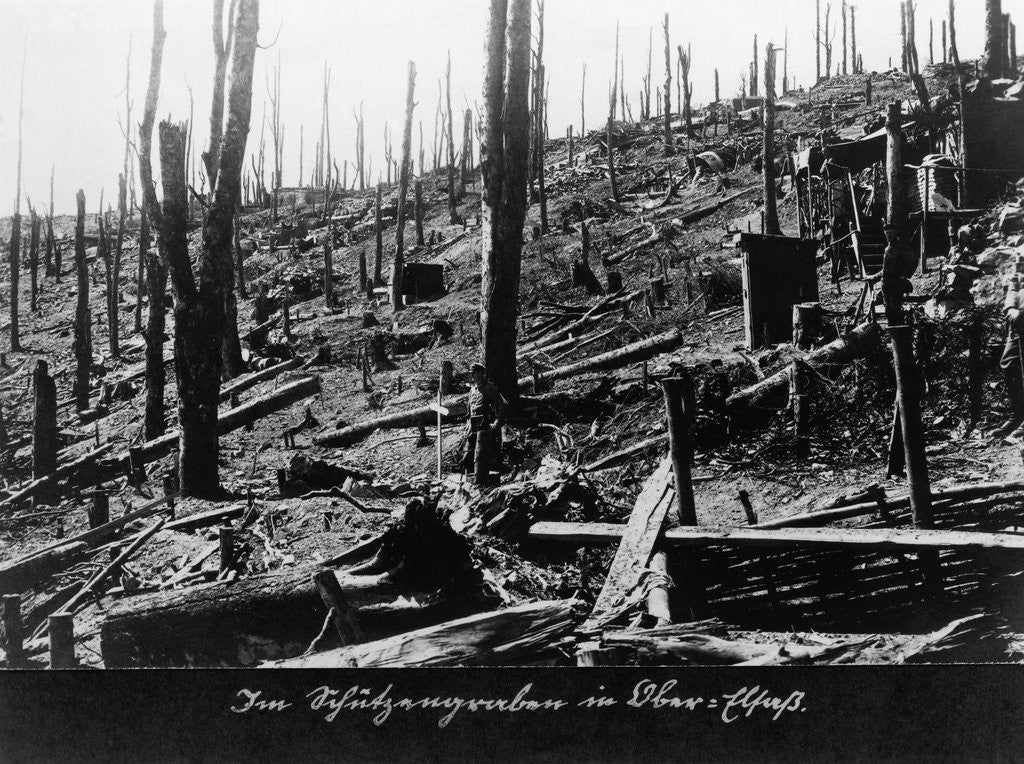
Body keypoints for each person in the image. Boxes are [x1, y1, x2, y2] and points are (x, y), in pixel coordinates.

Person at [461, 363, 510, 474]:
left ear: (483, 373)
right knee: (467, 458)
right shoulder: (472, 390)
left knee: (487, 460)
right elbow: (470, 412)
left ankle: (487, 485)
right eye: (473, 374)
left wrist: (496, 424)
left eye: (478, 373)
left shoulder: (489, 387)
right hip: (472, 429)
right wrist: (466, 427)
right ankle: (469, 485)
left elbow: (503, 405)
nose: (475, 376)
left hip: (485, 430)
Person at [998, 271, 1024, 440]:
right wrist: (1011, 307)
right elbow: (1015, 280)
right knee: (1009, 363)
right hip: (1017, 323)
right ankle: (1017, 416)